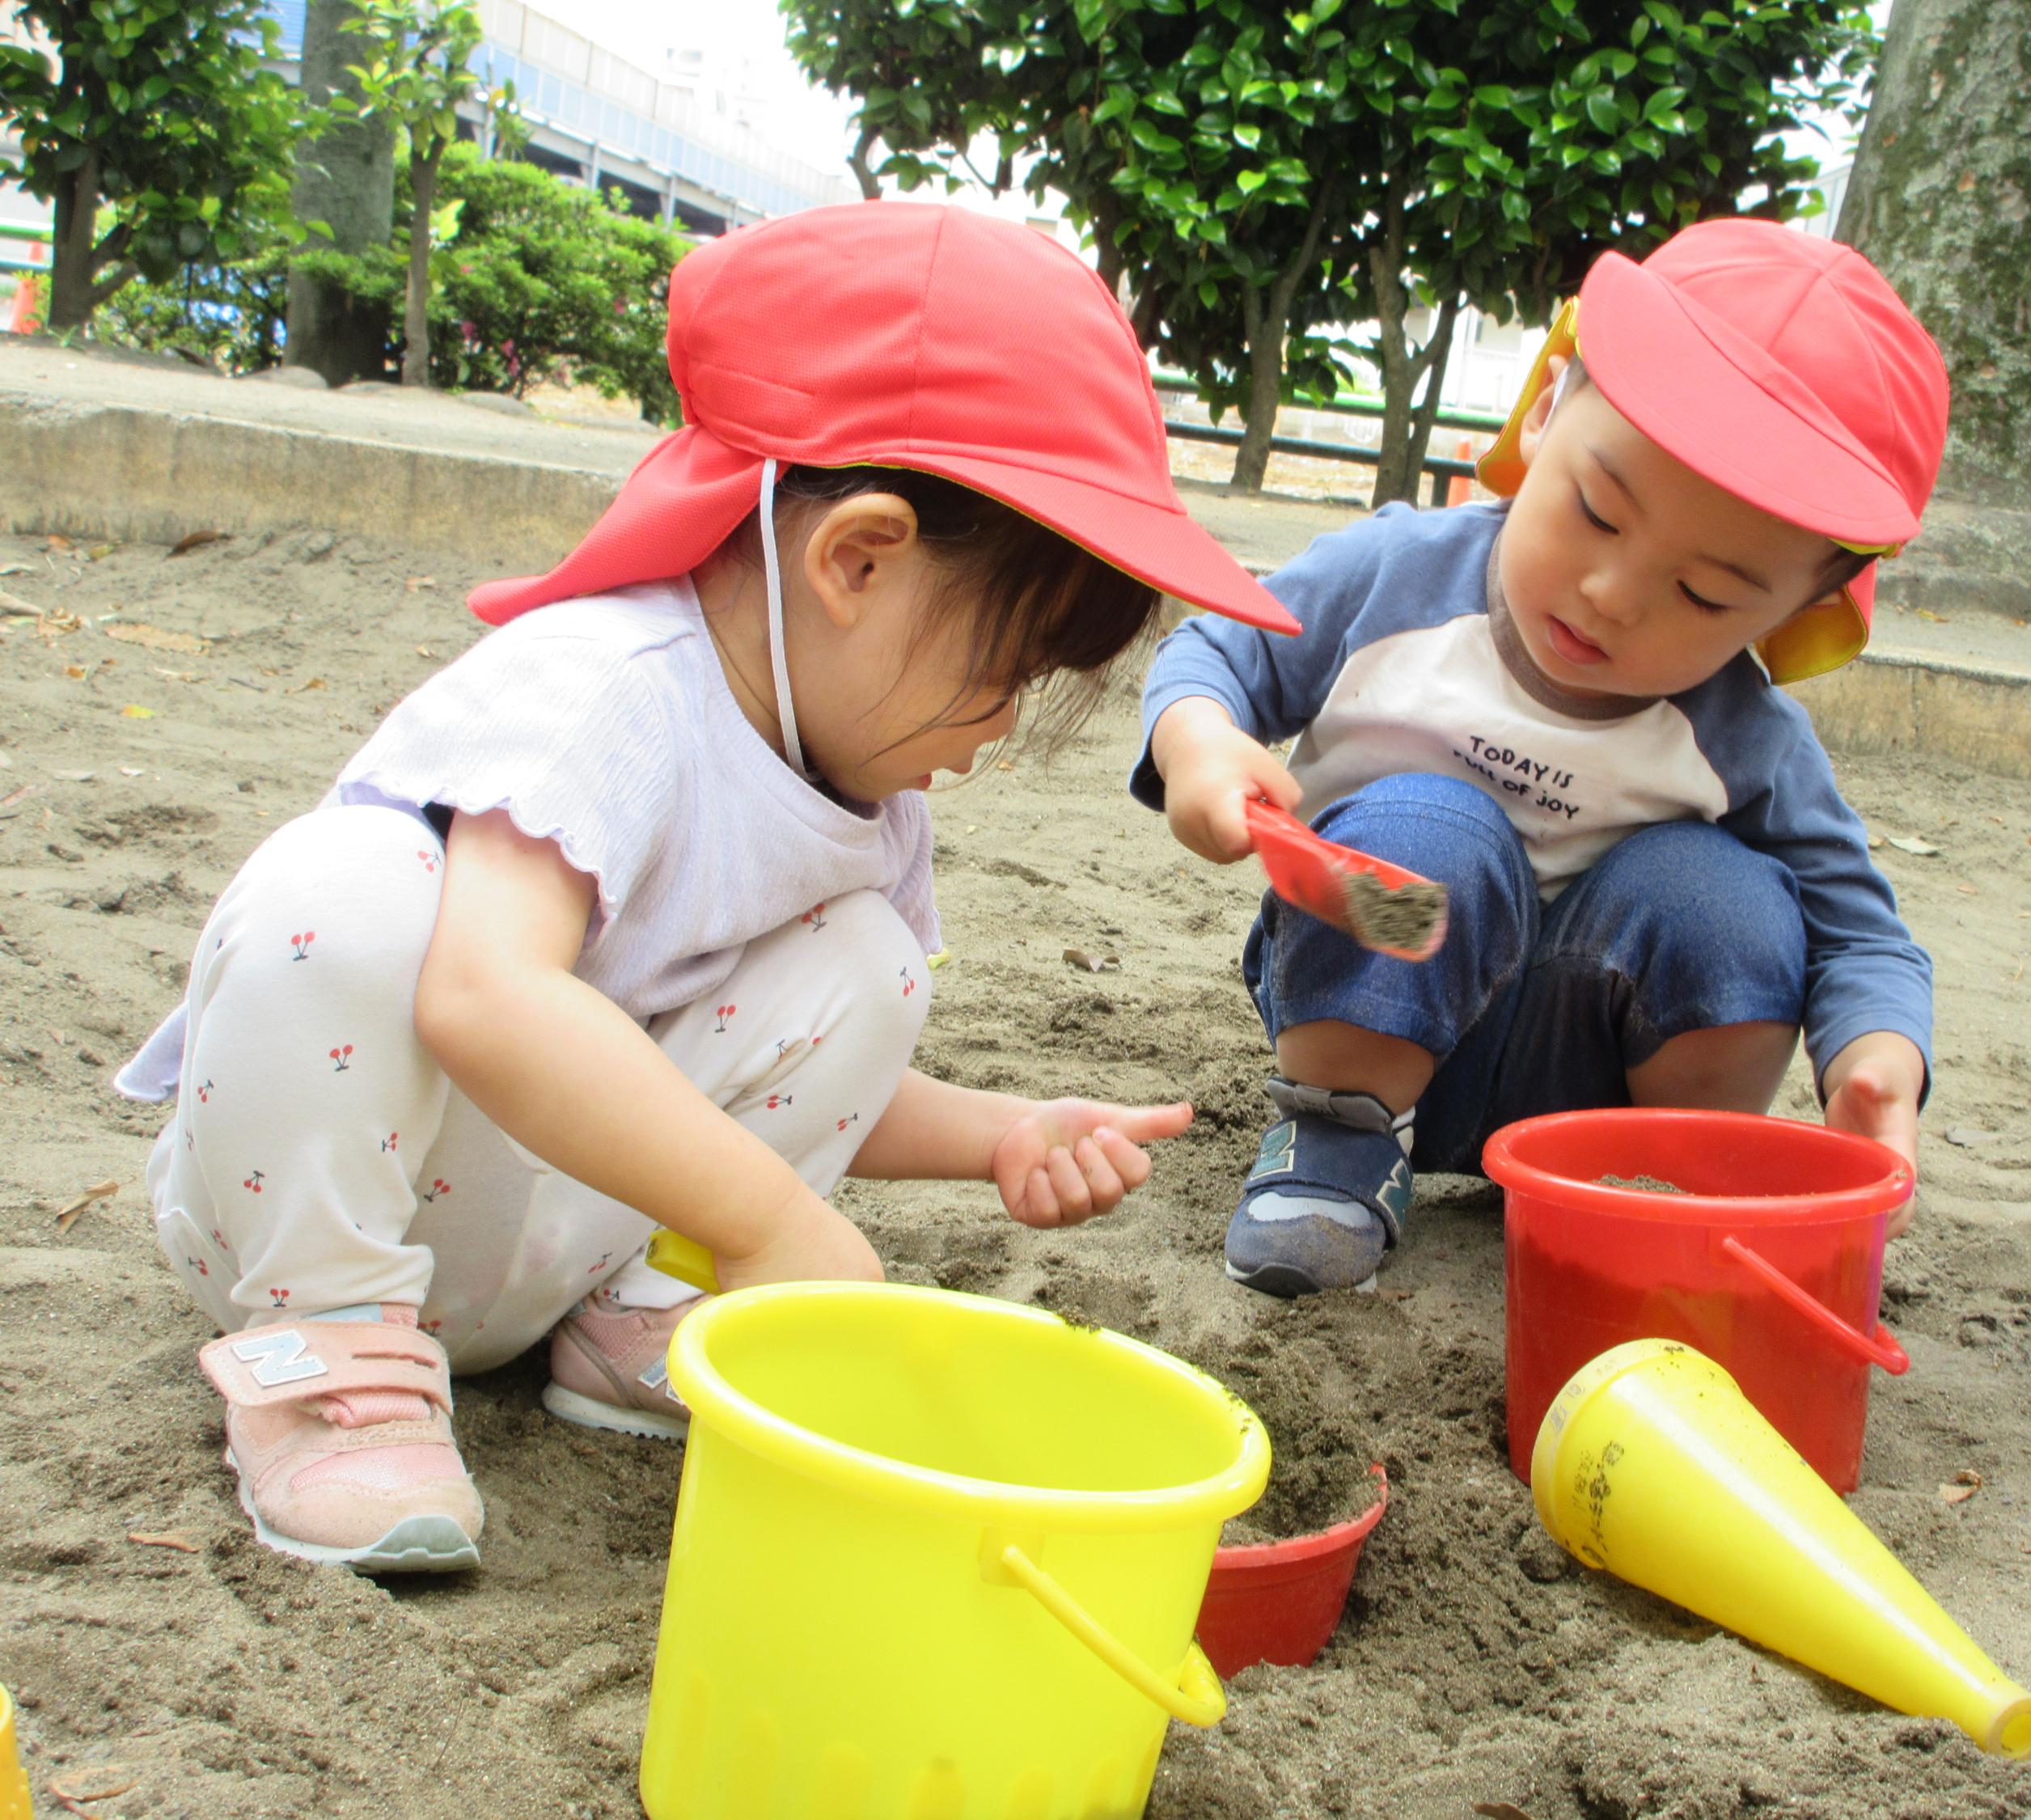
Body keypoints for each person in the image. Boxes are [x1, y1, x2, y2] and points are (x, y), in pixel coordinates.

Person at [114, 201, 1299, 1572]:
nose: (998, 729)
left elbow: (781, 1067)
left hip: (535, 1248)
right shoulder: (605, 690)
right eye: (1006, 672)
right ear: (857, 558)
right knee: (348, 889)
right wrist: (770, 1218)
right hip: (323, 1212)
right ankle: (328, 1359)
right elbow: (486, 998)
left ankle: (637, 1317)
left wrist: (1001, 1134)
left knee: (870, 964)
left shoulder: (866, 793)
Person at [1134, 218, 1945, 1298]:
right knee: (1432, 828)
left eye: (1704, 593)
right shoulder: (1400, 577)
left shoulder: (1741, 734)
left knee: (1732, 902)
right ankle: (1335, 1145)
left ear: (1801, 605)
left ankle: (1670, 1183)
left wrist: (1878, 1058)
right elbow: (1215, 651)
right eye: (1597, 511)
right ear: (1549, 406)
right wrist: (1200, 742)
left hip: (1593, 1088)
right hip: (1374, 998)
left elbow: (1863, 933)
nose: (1612, 595)